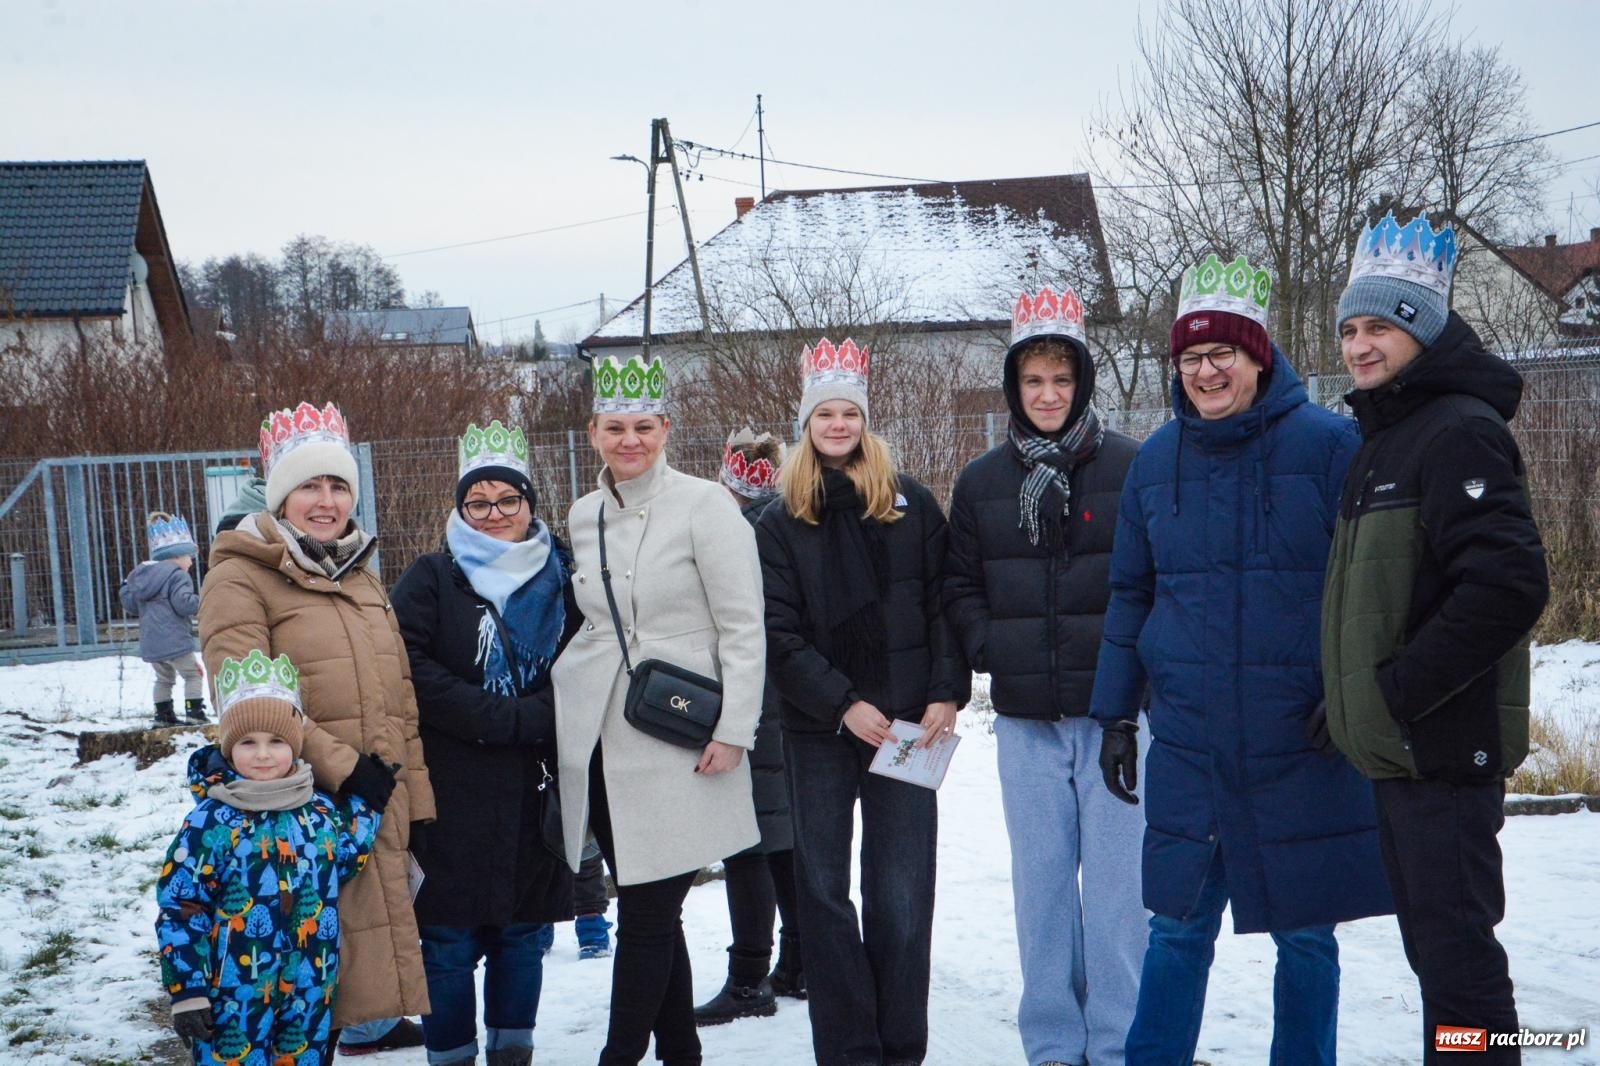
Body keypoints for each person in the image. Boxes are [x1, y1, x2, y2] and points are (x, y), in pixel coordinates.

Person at [1090, 255, 1393, 1066]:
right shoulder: (1156, 462)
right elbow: (1130, 594)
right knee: (1177, 927)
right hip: (1189, 740)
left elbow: (1374, 589)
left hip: (1302, 737)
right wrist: (1116, 713)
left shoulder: (1333, 447)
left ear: (1259, 353)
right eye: (1189, 357)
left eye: (1222, 352)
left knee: (1305, 935)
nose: (1206, 371)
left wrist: (1352, 692)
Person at [1323, 213, 1548, 1065]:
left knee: (1460, 970)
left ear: (1421, 328)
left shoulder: (1456, 429)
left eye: (1380, 325)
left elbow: (1508, 586)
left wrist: (1395, 693)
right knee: (1438, 962)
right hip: (1404, 750)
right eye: (1349, 328)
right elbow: (1382, 594)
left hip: (1442, 750)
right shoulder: (1389, 437)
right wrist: (1348, 699)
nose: (1359, 345)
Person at [944, 286, 1144, 1066]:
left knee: (1119, 896)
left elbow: (1153, 582)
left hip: (1117, 720)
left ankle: (1119, 1042)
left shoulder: (1133, 467)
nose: (1049, 395)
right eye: (1034, 381)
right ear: (1014, 389)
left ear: (1083, 381)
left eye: (1062, 379)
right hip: (1027, 721)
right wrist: (989, 644)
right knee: (1043, 892)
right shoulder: (983, 482)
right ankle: (1055, 1044)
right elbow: (959, 584)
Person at [551, 353, 766, 1066]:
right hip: (605, 742)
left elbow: (743, 625)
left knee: (645, 915)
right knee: (651, 906)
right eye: (616, 427)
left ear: (666, 428)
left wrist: (735, 730)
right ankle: (681, 1054)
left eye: (644, 425)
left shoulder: (708, 504)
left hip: (682, 736)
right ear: (593, 433)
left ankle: (618, 1056)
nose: (630, 439)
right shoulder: (584, 515)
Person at [757, 338, 967, 1066]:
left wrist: (945, 692)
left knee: (903, 897)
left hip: (910, 726)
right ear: (806, 423)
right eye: (826, 413)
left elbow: (945, 605)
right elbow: (776, 635)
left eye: (850, 413)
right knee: (822, 891)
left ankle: (901, 1045)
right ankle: (849, 1049)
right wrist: (842, 703)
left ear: (865, 421)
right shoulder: (780, 521)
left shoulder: (912, 505)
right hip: (821, 730)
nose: (839, 424)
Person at [200, 401, 433, 1058]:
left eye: (337, 485)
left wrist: (416, 800)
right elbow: (246, 705)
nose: (326, 501)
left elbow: (400, 701)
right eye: (309, 485)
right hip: (291, 818)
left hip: (372, 813)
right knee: (300, 994)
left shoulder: (361, 576)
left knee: (348, 984)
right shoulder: (239, 577)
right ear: (281, 496)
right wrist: (343, 767)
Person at [390, 420, 581, 1066]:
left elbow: (587, 659)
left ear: (529, 503)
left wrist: (541, 717)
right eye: (479, 501)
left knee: (521, 933)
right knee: (444, 939)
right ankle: (451, 1056)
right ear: (460, 507)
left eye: (508, 500)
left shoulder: (562, 576)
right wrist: (500, 718)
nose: (494, 514)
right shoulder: (430, 579)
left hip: (533, 787)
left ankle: (511, 1052)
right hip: (449, 788)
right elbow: (408, 665)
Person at [155, 650, 379, 1065]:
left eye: (276, 741)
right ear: (228, 747)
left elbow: (348, 856)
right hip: (232, 995)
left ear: (293, 746)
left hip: (310, 989)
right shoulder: (210, 822)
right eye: (248, 742)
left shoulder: (319, 813)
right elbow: (181, 906)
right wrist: (187, 991)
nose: (262, 754)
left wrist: (370, 804)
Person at [694, 428, 804, 1026]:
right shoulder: (790, 522)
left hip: (748, 704)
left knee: (747, 847)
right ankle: (799, 962)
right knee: (784, 841)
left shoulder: (733, 532)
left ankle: (748, 979)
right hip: (790, 704)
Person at [121, 511, 208, 726]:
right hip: (175, 640)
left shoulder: (142, 577)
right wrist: (203, 601)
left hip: (151, 643)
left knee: (164, 679)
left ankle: (163, 715)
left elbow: (132, 605)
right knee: (193, 674)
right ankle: (194, 712)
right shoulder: (178, 575)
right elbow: (182, 603)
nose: (191, 562)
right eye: (189, 557)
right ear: (177, 556)